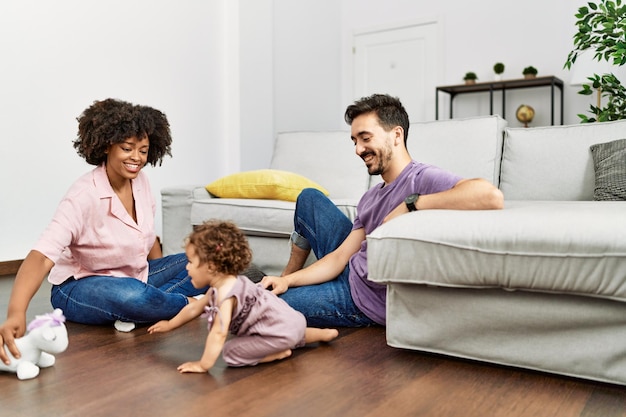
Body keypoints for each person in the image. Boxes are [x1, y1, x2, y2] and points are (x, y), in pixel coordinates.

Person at [261, 93, 504, 328]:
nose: (358, 149)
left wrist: (411, 204)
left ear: (396, 135)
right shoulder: (371, 197)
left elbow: (489, 196)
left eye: (365, 138)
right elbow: (338, 258)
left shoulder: (421, 178)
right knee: (309, 197)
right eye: (355, 141)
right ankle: (282, 281)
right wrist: (287, 280)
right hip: (351, 270)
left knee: (261, 308)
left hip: (362, 300)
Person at [0, 98, 206, 366]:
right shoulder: (82, 196)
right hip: (79, 287)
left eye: (143, 151)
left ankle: (142, 309)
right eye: (127, 148)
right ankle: (196, 303)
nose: (136, 159)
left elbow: (149, 238)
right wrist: (16, 313)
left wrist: (159, 275)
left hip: (136, 276)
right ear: (107, 145)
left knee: (202, 262)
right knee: (131, 295)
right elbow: (41, 256)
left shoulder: (141, 182)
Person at [148, 220, 338, 373]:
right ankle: (324, 333)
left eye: (190, 262)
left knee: (230, 352)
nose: (187, 267)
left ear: (212, 266)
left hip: (275, 333)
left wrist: (203, 364)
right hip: (292, 321)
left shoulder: (224, 296)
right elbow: (194, 308)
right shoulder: (230, 282)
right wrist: (169, 324)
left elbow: (219, 332)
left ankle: (278, 353)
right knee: (293, 331)